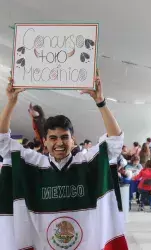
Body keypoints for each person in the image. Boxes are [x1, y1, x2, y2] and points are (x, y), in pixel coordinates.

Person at [0, 73, 127, 249]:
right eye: (53, 138)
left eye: (64, 137)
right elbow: (2, 142)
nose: (59, 143)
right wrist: (11, 103)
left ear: (73, 140)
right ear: (44, 141)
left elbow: (115, 142)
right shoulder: (32, 165)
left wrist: (101, 102)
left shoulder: (88, 163)